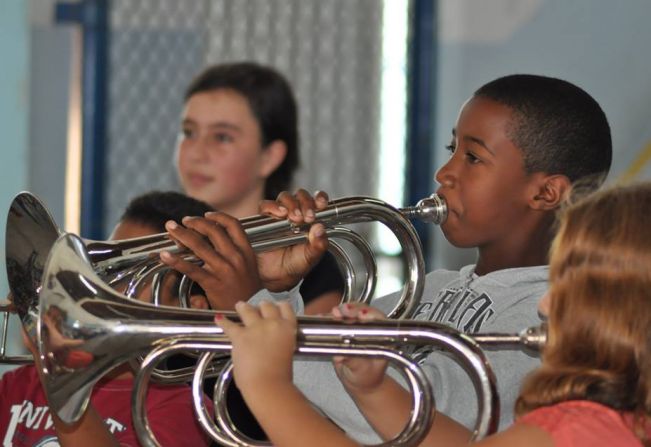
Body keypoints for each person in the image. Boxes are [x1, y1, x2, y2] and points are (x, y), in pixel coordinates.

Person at [246, 73, 614, 443]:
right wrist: (278, 291)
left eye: (472, 157)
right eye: (450, 149)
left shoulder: (547, 315)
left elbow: (424, 416)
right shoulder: (431, 288)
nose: (444, 173)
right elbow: (322, 384)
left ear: (546, 193)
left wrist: (246, 300)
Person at [216, 181, 651, 447]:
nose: (545, 304)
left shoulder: (584, 431)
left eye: (570, 286)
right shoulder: (612, 421)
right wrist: (374, 389)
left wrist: (267, 384)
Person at [0, 191, 215, 446]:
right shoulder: (22, 384)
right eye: (105, 267)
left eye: (134, 274)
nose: (106, 284)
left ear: (188, 310)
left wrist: (53, 359)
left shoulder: (184, 408)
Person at [175, 61, 344, 315]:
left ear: (269, 157)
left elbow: (305, 356)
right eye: (189, 132)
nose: (196, 153)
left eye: (222, 137)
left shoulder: (309, 266)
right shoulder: (165, 241)